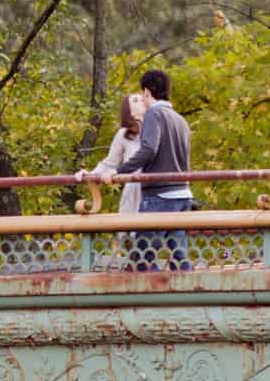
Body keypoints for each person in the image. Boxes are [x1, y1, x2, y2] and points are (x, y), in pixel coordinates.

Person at [81, 68, 192, 270]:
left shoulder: (153, 114)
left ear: (148, 92)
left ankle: (149, 299)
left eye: (142, 94)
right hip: (183, 194)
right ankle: (189, 295)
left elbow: (149, 149)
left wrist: (119, 171)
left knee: (142, 258)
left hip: (160, 196)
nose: (142, 98)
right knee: (179, 257)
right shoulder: (180, 120)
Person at [86, 92, 145, 215]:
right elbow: (110, 163)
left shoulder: (160, 127)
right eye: (135, 100)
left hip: (158, 189)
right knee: (131, 231)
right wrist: (91, 174)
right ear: (129, 111)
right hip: (134, 189)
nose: (141, 100)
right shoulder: (124, 134)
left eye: (142, 98)